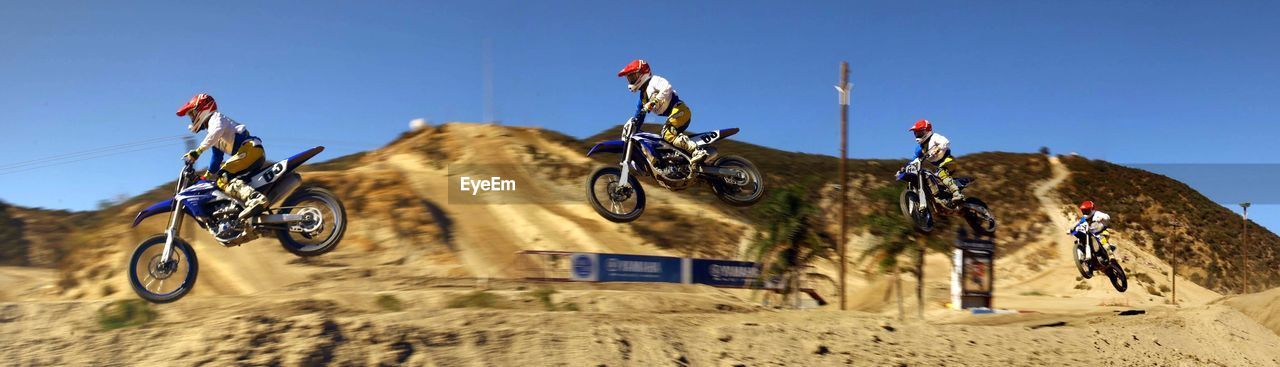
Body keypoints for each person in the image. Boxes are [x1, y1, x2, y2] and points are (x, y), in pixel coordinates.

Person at [176, 93, 267, 219]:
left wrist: (198, 151)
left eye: (192, 113)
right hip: (249, 152)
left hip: (250, 149)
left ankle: (255, 199)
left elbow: (216, 131)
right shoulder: (214, 134)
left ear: (203, 109)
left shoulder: (216, 118)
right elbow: (216, 159)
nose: (192, 118)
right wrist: (205, 177)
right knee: (230, 179)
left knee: (223, 178)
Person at [617, 59, 707, 165]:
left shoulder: (654, 81)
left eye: (633, 76)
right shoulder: (642, 98)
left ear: (643, 73)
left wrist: (655, 101)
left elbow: (667, 87)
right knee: (663, 142)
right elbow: (639, 115)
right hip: (675, 115)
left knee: (667, 133)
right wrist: (634, 128)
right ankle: (682, 162)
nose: (631, 80)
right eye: (629, 78)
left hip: (680, 110)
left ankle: (697, 151)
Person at [908, 119, 964, 204]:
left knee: (941, 172)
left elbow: (946, 142)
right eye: (916, 133)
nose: (918, 135)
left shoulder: (934, 137)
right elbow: (914, 159)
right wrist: (906, 167)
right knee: (928, 176)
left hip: (948, 161)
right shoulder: (919, 148)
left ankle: (957, 194)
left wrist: (937, 148)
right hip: (937, 167)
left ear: (927, 131)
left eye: (920, 132)